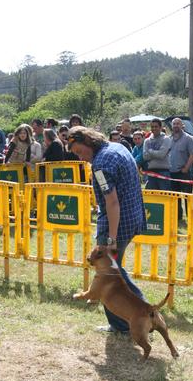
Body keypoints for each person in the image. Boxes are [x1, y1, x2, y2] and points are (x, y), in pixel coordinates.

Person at [67, 126, 146, 333]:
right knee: (114, 271)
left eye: (80, 152)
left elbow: (112, 202)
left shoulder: (101, 165)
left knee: (109, 275)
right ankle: (134, 319)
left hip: (116, 225)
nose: (81, 158)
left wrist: (111, 238)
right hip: (132, 218)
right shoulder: (117, 147)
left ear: (88, 142)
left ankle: (136, 318)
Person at [169, 117, 193, 221]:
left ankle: (190, 218)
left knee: (187, 197)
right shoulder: (169, 138)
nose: (176, 125)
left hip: (184, 173)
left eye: (178, 124)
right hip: (172, 173)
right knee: (175, 197)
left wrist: (186, 168)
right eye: (174, 124)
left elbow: (192, 154)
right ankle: (178, 217)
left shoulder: (188, 138)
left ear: (182, 125)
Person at [143, 118, 171, 191]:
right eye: (152, 127)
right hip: (151, 172)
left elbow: (161, 155)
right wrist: (156, 153)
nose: (154, 128)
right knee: (153, 196)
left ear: (161, 127)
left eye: (156, 126)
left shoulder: (166, 139)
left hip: (164, 172)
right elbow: (145, 156)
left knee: (164, 195)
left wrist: (150, 151)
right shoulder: (147, 141)